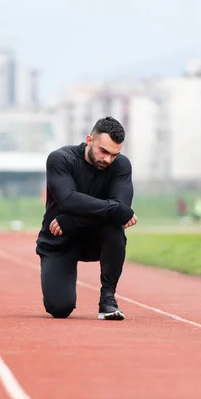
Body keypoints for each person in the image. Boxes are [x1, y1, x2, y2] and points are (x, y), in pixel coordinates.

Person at [35, 116, 138, 321]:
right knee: (59, 308)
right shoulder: (60, 159)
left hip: (92, 238)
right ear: (89, 140)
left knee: (115, 230)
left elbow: (121, 211)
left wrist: (73, 221)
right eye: (104, 151)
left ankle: (108, 299)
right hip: (59, 239)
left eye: (114, 154)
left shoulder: (122, 166)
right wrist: (114, 208)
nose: (108, 159)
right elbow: (68, 200)